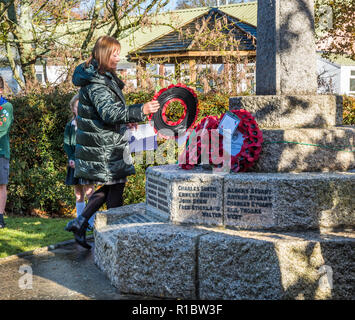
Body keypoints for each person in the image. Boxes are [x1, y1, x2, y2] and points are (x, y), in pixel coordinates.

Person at [65, 35, 160, 248]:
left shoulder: (101, 77)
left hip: (107, 141)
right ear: (104, 54)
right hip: (104, 146)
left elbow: (108, 113)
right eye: (115, 54)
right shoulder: (97, 82)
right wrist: (140, 110)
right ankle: (116, 238)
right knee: (115, 188)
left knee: (113, 185)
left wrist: (127, 122)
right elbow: (108, 113)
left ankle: (81, 222)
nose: (119, 57)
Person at [64, 93, 95, 229]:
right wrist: (71, 158)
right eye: (77, 107)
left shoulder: (90, 124)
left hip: (87, 163)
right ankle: (79, 222)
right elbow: (67, 144)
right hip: (74, 164)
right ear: (73, 109)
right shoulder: (70, 126)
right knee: (78, 193)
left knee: (90, 192)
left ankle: (92, 222)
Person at [0, 76, 13, 229]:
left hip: (1, 152)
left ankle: (0, 218)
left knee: (1, 185)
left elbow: (2, 129)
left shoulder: (6, 107)